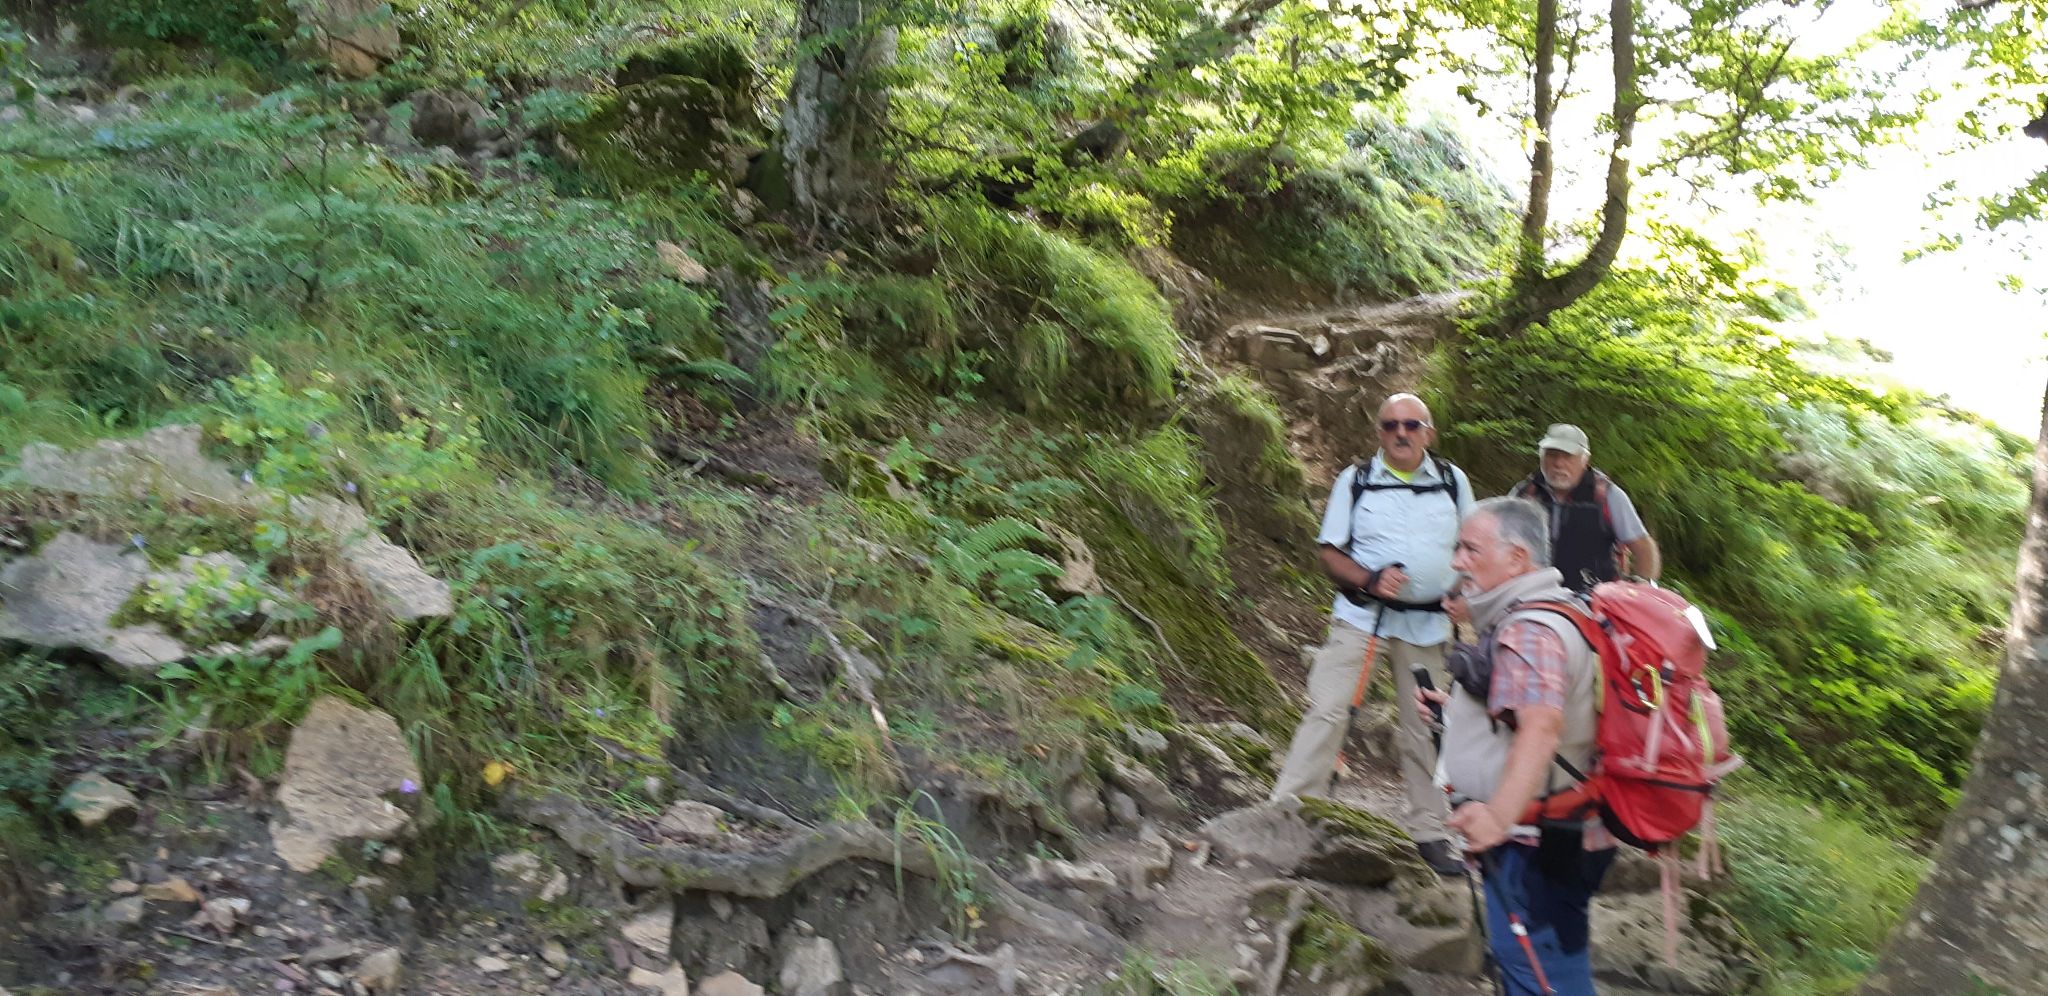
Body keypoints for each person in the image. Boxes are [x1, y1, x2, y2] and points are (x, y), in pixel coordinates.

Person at [1269, 392, 1472, 877]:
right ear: (1379, 432)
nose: (1400, 433)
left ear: (1428, 432)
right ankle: (1286, 815)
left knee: (1425, 725)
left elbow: (1475, 548)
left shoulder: (1452, 481)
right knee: (1327, 709)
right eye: (1390, 425)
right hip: (1362, 618)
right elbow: (1329, 552)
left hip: (1427, 623)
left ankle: (1430, 831)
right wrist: (1369, 579)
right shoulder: (1356, 479)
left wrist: (1467, 593)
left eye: (1410, 425)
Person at [1422, 497, 1615, 996]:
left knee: (1540, 971)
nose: (1458, 561)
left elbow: (1543, 725)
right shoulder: (1558, 611)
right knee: (1539, 963)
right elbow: (1535, 713)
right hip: (1559, 829)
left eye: (1471, 549)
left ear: (1516, 559)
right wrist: (1455, 713)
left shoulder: (1529, 629)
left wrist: (1497, 816)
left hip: (1536, 839)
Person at [1507, 424, 1660, 593]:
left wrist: (1644, 589)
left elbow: (1643, 547)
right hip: (1532, 597)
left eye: (1567, 456)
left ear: (1585, 460)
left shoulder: (1607, 496)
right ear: (1541, 457)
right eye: (1551, 455)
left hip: (1595, 600)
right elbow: (1500, 542)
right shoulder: (1524, 494)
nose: (1558, 463)